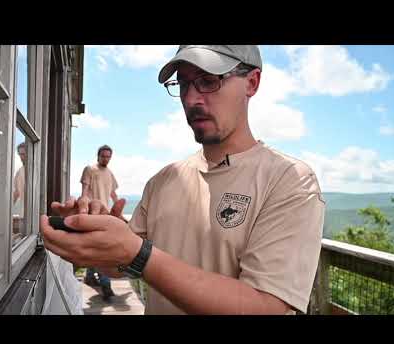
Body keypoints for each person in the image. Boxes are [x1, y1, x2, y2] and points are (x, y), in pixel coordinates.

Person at [41, 45, 325, 315]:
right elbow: (119, 266)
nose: (191, 99)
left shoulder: (291, 181)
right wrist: (95, 233)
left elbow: (264, 306)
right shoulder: (164, 180)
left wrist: (138, 255)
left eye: (209, 80)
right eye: (184, 84)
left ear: (252, 82)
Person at [62, 145, 119, 301]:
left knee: (96, 249)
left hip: (105, 215)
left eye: (108, 156)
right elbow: (84, 192)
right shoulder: (90, 169)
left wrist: (117, 208)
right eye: (103, 156)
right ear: (98, 156)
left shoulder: (110, 173)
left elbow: (112, 193)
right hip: (93, 214)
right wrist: (83, 210)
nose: (106, 159)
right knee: (101, 251)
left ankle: (90, 277)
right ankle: (106, 287)